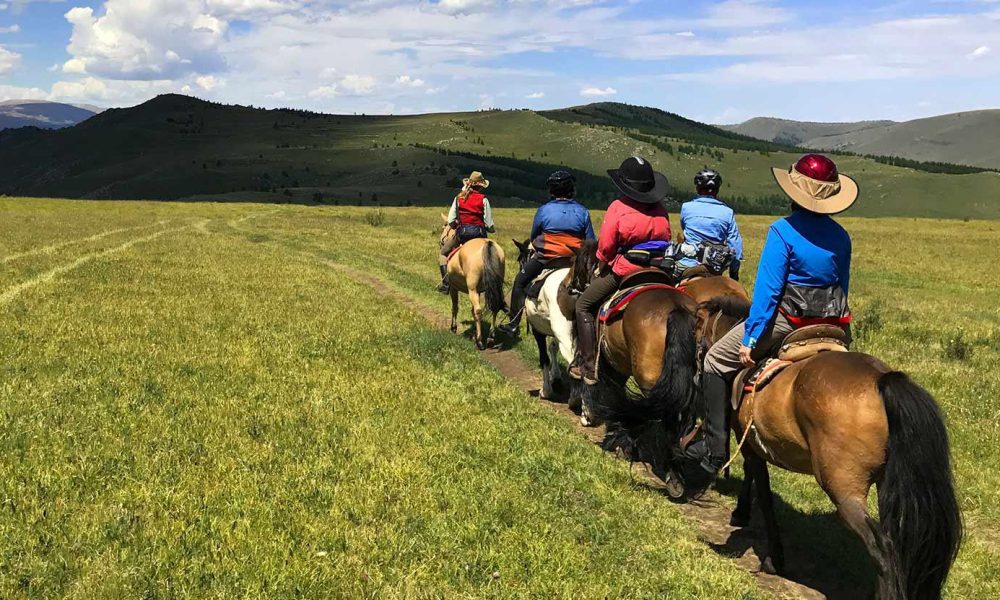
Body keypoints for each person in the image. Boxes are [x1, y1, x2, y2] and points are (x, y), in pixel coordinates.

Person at [681, 153, 858, 493]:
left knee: (716, 361)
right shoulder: (841, 236)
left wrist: (751, 338)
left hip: (789, 323)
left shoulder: (783, 231)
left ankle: (715, 451)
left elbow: (768, 292)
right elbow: (843, 285)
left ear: (794, 192)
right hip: (834, 326)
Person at [569, 156, 672, 384]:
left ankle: (588, 365)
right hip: (660, 270)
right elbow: (667, 237)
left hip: (626, 270)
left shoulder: (618, 207)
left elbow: (605, 246)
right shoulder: (661, 210)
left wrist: (602, 264)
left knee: (583, 305)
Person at [498, 171, 595, 337]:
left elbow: (534, 236)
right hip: (574, 261)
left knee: (520, 281)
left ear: (552, 191)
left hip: (547, 259)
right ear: (572, 190)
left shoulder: (543, 210)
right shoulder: (583, 212)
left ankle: (514, 324)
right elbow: (591, 240)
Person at [677, 169, 744, 280]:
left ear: (698, 188)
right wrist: (734, 273)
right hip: (714, 268)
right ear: (717, 190)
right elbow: (735, 245)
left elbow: (684, 229)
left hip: (687, 264)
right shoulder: (728, 212)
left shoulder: (686, 207)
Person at [438, 171, 495, 293]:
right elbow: (489, 224)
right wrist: (492, 229)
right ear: (480, 186)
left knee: (443, 253)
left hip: (463, 234)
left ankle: (446, 284)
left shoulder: (458, 198)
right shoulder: (484, 200)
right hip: (480, 234)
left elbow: (451, 220)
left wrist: (456, 225)